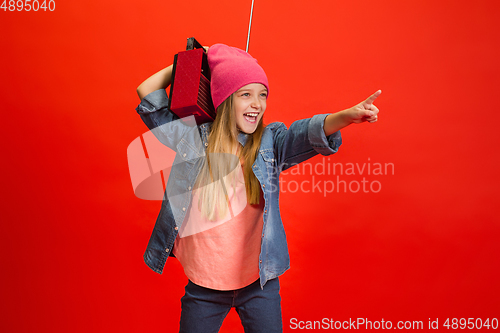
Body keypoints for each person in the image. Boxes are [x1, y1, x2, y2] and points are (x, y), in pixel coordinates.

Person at [135, 43, 380, 333]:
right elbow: (147, 92)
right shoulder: (191, 138)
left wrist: (346, 117)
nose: (257, 103)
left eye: (262, 94)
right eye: (246, 94)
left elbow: (306, 132)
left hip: (257, 284)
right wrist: (196, 62)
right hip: (204, 287)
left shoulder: (269, 142)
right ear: (224, 99)